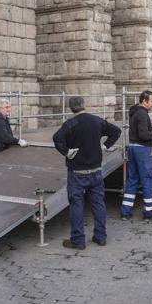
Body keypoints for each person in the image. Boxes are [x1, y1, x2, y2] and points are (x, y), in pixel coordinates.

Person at [53, 96, 121, 250]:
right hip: (96, 170)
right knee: (98, 204)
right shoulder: (96, 121)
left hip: (77, 171)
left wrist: (66, 152)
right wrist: (105, 146)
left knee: (76, 205)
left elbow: (57, 138)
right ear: (84, 106)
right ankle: (100, 236)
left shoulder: (70, 124)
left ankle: (78, 240)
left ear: (71, 108)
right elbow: (116, 131)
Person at [120, 90, 152, 223]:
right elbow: (144, 135)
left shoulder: (134, 112)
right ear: (144, 101)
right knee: (148, 179)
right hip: (143, 151)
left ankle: (125, 212)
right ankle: (148, 213)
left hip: (132, 148)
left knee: (132, 180)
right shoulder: (142, 114)